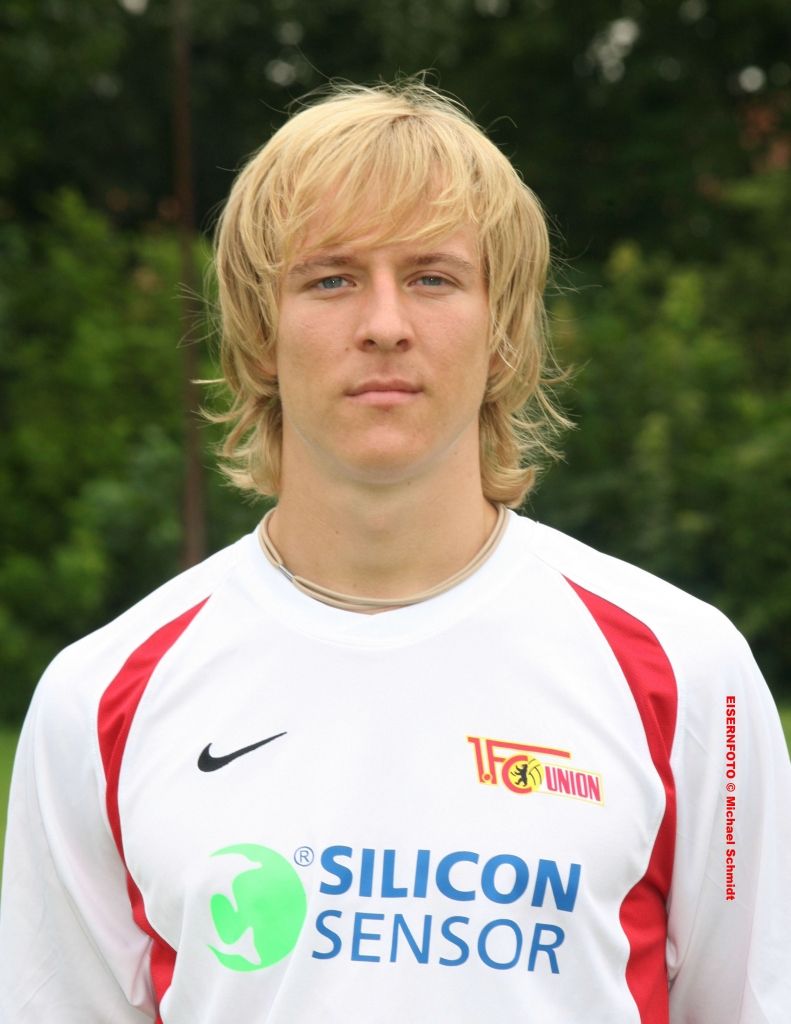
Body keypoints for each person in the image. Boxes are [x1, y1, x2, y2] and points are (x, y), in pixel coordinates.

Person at [1, 79, 789, 1024]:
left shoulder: (688, 677)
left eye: (431, 277)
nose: (383, 324)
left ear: (501, 332)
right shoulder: (100, 700)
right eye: (330, 278)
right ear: (259, 333)